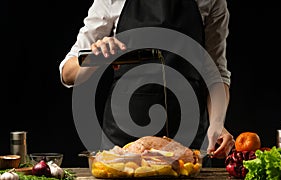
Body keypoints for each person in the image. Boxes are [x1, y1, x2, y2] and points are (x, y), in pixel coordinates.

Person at [59, 0, 235, 161]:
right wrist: (96, 58)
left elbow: (215, 73)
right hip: (122, 144)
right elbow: (68, 73)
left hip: (188, 142)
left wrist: (217, 123)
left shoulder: (211, 2)